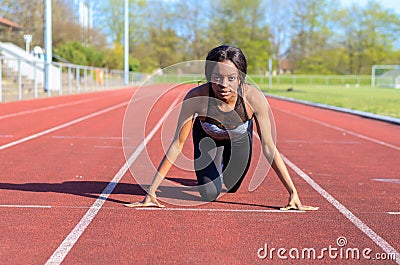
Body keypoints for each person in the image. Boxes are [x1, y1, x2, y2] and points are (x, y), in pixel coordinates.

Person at [125, 45, 318, 211]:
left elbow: (269, 147)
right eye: (217, 77)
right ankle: (212, 171)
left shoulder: (254, 99)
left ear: (241, 77)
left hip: (240, 140)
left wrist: (293, 192)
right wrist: (151, 192)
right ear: (209, 75)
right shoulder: (196, 98)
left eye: (231, 78)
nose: (223, 85)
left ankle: (226, 166)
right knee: (209, 194)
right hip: (207, 139)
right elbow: (178, 143)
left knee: (232, 186)